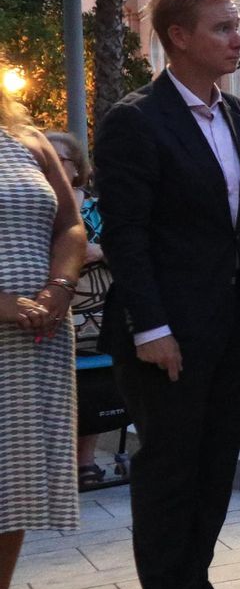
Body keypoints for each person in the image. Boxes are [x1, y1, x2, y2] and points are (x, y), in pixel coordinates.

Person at [94, 0, 240, 589]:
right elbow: (127, 235)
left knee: (214, 464)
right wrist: (152, 330)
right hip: (165, 333)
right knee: (170, 467)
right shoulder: (135, 120)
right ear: (179, 37)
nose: (239, 39)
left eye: (235, 27)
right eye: (222, 28)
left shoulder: (236, 115)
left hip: (228, 323)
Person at [0, 87, 86, 589]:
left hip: (36, 334)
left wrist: (58, 288)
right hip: (11, 315)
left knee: (14, 477)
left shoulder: (27, 140)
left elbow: (71, 226)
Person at [46, 131, 116, 491]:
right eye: (47, 159)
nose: (54, 166)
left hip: (95, 312)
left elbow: (124, 247)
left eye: (62, 160)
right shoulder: (31, 207)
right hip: (47, 312)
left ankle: (85, 463)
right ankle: (55, 465)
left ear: (77, 169)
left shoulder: (96, 208)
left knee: (91, 387)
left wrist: (99, 251)